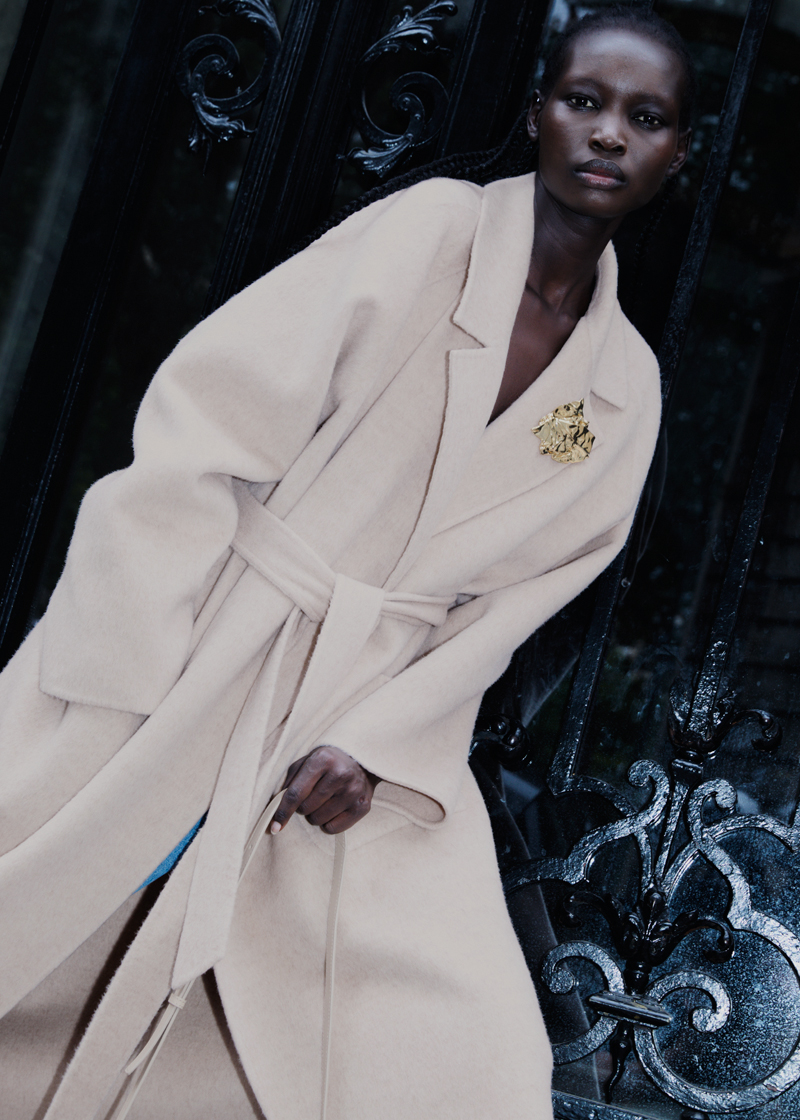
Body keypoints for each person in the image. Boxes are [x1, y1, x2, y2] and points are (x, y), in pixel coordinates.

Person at [0, 7, 693, 1119]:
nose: (609, 132)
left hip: (366, 724)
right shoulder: (426, 233)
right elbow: (207, 416)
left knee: (470, 1054)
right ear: (536, 115)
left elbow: (513, 612)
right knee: (47, 908)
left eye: (645, 117)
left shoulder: (624, 390)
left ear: (677, 154)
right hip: (207, 640)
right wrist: (131, 648)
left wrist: (378, 743)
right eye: (584, 100)